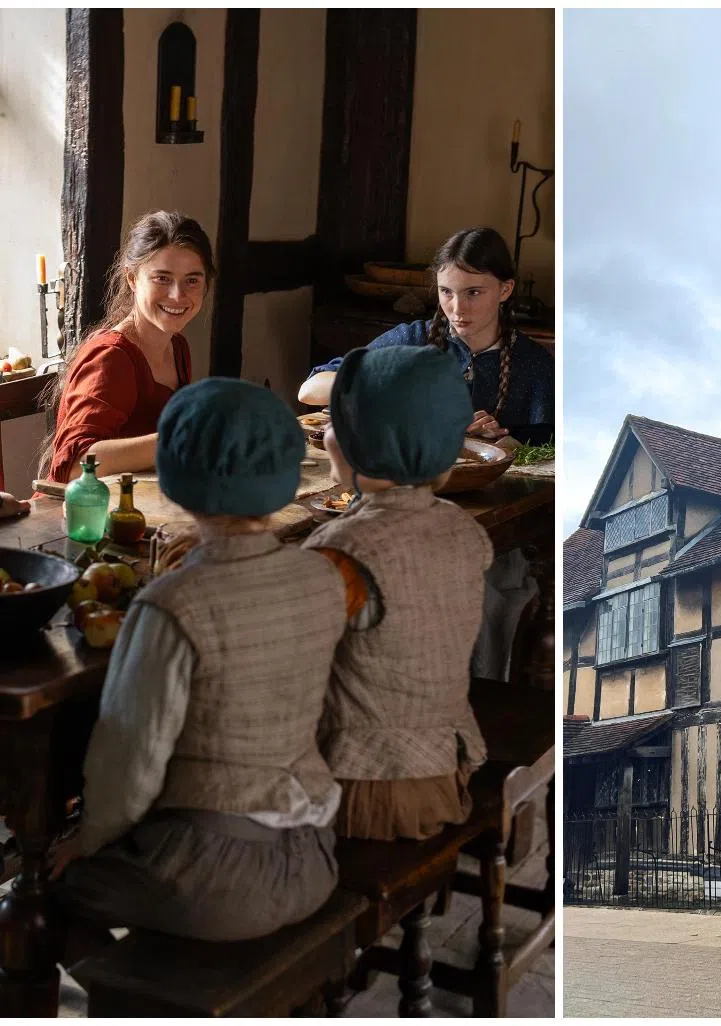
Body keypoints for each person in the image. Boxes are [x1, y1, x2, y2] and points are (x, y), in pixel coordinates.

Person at [52, 378, 344, 942]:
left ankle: (129, 994)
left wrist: (85, 839)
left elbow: (128, 761)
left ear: (178, 483)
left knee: (44, 888)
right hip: (313, 855)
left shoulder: (174, 603)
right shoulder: (320, 574)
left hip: (212, 879)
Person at [303, 345, 493, 841]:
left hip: (365, 790)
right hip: (446, 772)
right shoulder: (465, 531)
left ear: (346, 444)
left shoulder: (344, 549)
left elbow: (286, 660)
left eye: (332, 423)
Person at [299, 227, 554, 445]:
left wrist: (498, 437)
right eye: (446, 292)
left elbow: (550, 449)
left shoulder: (534, 363)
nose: (457, 308)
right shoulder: (413, 339)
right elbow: (309, 391)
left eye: (473, 292)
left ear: (505, 289)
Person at [39, 210, 214, 484]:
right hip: (78, 518)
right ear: (132, 278)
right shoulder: (112, 357)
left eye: (192, 280)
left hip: (134, 508)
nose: (178, 296)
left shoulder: (177, 346)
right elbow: (73, 464)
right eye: (162, 278)